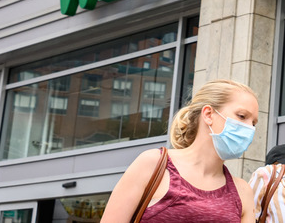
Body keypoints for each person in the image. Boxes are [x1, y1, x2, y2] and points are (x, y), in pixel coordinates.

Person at [101, 79, 259, 222]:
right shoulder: (153, 164)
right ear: (209, 114)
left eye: (253, 123)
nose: (249, 129)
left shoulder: (242, 191)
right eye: (242, 116)